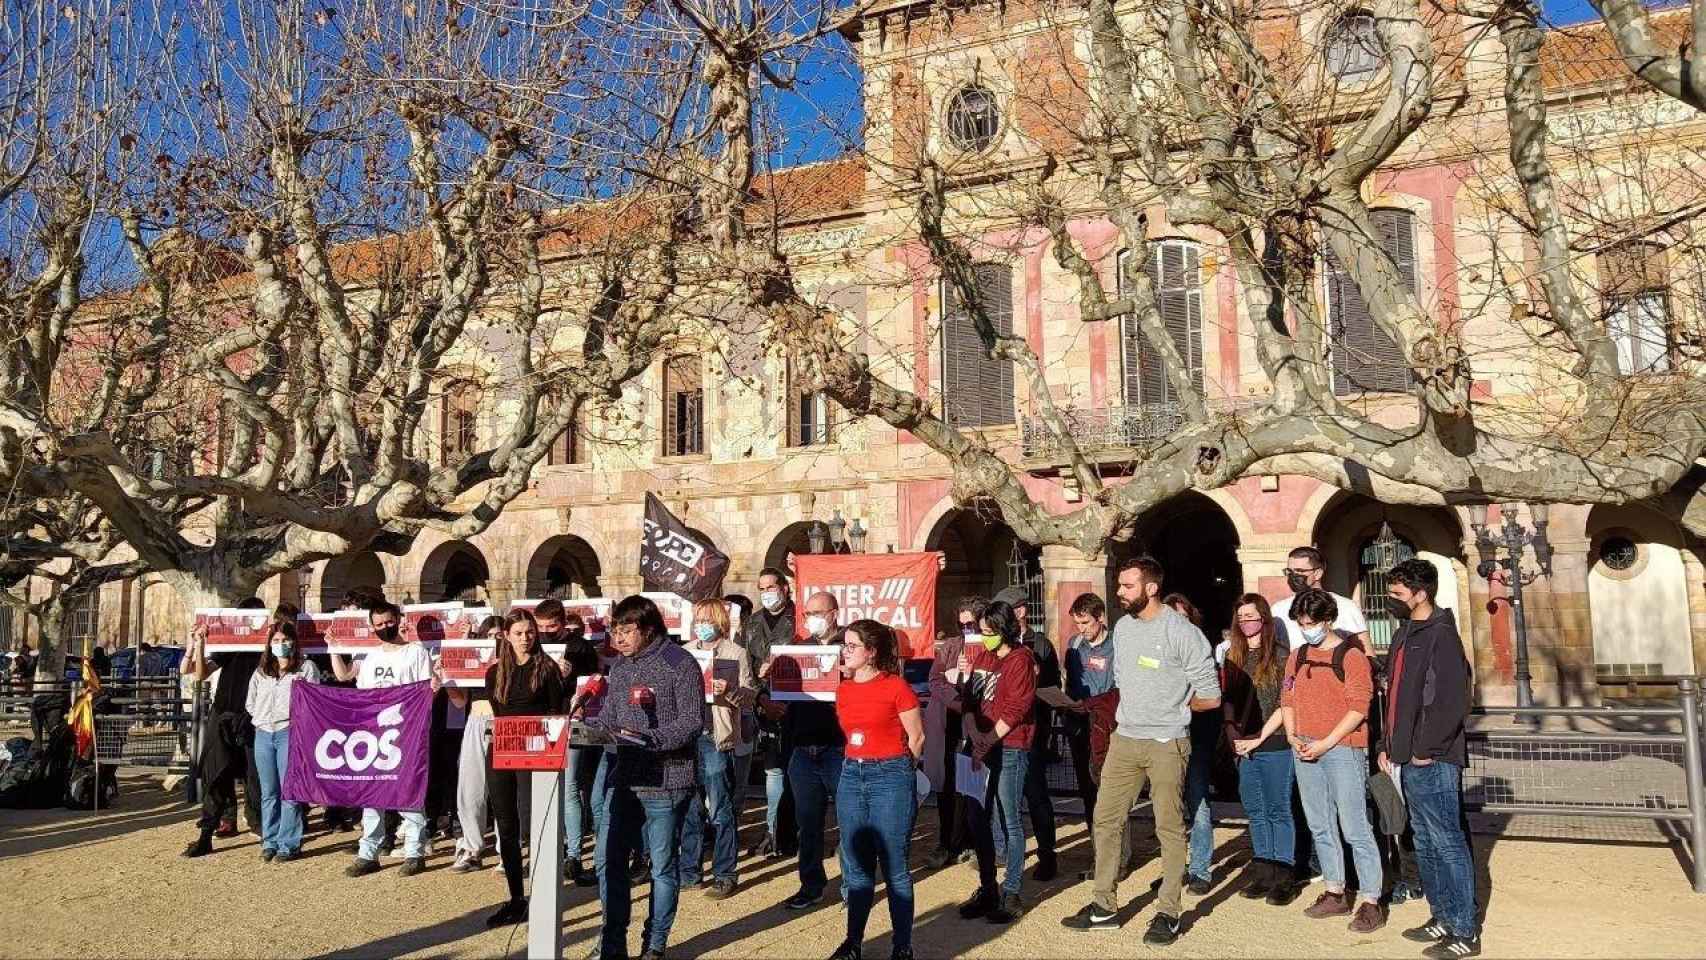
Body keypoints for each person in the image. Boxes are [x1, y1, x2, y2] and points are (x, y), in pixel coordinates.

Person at [1062, 556, 1220, 945]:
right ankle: (1104, 906)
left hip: (1167, 741)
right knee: (1105, 819)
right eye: (1119, 585)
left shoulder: (1182, 632)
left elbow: (1211, 696)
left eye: (1127, 586)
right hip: (1125, 739)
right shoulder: (1124, 629)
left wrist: (1177, 709)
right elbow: (1122, 680)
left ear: (1151, 588)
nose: (1119, 593)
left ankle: (1168, 911)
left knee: (1168, 827)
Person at [594, 594, 704, 960]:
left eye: (626, 631)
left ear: (649, 628)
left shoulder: (680, 663)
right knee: (610, 862)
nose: (619, 639)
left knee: (661, 867)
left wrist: (652, 739)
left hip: (666, 779)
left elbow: (692, 720)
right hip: (624, 775)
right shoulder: (620, 667)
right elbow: (609, 717)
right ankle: (612, 943)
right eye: (615, 631)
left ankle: (654, 944)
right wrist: (590, 727)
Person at [1380, 559, 1479, 960]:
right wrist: (1389, 746)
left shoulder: (1441, 635)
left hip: (1432, 760)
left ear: (1421, 594)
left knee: (1448, 842)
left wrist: (1425, 750)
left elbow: (1452, 700)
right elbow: (1398, 697)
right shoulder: (1406, 633)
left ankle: (1465, 930)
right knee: (1425, 842)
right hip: (1405, 758)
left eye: (1399, 594)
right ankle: (1441, 917)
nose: (1392, 600)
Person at [1282, 588, 1385, 933]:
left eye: (1310, 622)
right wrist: (1292, 735)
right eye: (1300, 622)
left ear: (1327, 620)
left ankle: (1371, 898)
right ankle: (1334, 890)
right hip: (1305, 745)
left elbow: (1359, 707)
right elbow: (1288, 698)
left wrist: (1326, 742)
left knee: (1355, 826)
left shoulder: (1352, 656)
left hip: (1342, 747)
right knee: (1320, 824)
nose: (1305, 628)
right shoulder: (1296, 656)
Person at [829, 619, 925, 960]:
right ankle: (853, 942)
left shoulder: (896, 687)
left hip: (891, 775)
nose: (845, 650)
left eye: (852, 646)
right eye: (845, 645)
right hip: (851, 774)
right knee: (856, 863)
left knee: (895, 864)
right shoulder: (842, 688)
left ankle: (902, 946)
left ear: (871, 653)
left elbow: (917, 738)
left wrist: (900, 773)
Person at [332, 601, 441, 878]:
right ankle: (369, 852)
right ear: (372, 626)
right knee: (372, 793)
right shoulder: (371, 657)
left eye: (388, 622)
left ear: (398, 619)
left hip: (407, 733)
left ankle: (415, 850)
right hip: (375, 735)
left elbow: (425, 695)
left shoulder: (415, 653)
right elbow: (363, 696)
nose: (384, 628)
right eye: (379, 624)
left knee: (408, 791)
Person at [481, 609, 569, 927]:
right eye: (518, 633)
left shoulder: (546, 669)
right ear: (506, 635)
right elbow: (497, 710)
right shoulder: (494, 674)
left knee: (535, 824)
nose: (525, 638)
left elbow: (558, 711)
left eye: (529, 632)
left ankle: (542, 895)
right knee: (506, 826)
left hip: (536, 752)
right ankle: (517, 898)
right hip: (503, 749)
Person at [956, 599, 1037, 925]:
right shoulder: (983, 658)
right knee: (977, 817)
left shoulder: (1021, 660)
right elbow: (970, 700)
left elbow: (1016, 710)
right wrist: (975, 734)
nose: (985, 637)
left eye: (990, 631)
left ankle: (1012, 891)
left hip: (1010, 747)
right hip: (981, 746)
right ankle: (988, 887)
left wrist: (988, 739)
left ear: (1004, 630)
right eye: (982, 631)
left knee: (1009, 820)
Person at [1221, 593, 1302, 905]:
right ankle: (1263, 869)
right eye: (1241, 618)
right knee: (1254, 810)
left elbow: (1286, 704)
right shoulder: (1232, 655)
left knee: (1278, 808)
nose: (1246, 623)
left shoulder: (1282, 656)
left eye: (1251, 617)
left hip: (1274, 742)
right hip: (1242, 745)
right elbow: (1227, 699)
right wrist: (1232, 734)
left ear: (1264, 619)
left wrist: (1258, 738)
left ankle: (1284, 873)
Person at [679, 598, 756, 899]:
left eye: (707, 619)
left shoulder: (735, 653)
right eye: (699, 619)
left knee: (721, 807)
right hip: (688, 736)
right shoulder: (684, 653)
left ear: (720, 622)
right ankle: (690, 871)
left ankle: (725, 873)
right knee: (691, 807)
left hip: (715, 735)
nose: (702, 625)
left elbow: (750, 697)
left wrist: (732, 690)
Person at [180, 597, 269, 858]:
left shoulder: (267, 649)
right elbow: (199, 674)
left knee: (256, 776)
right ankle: (207, 832)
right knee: (215, 774)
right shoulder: (230, 646)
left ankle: (263, 828)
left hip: (253, 716)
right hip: (223, 714)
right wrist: (199, 643)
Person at [782, 589, 849, 910]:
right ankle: (811, 885)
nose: (812, 619)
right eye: (807, 614)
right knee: (808, 824)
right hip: (802, 748)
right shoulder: (798, 649)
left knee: (850, 820)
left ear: (834, 613)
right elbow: (783, 704)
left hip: (839, 746)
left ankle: (854, 885)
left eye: (817, 613)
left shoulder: (851, 646)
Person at [993, 584, 1059, 882]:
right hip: (1002, 732)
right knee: (1002, 798)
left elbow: (1052, 683)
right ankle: (1004, 851)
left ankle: (1047, 856)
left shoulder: (1041, 644)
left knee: (1036, 794)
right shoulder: (994, 644)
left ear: (1019, 611)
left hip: (1031, 731)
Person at [1061, 592, 1127, 878]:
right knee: (1090, 793)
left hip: (1112, 728)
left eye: (1086, 623)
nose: (1081, 629)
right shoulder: (1074, 646)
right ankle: (1099, 854)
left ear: (1101, 618)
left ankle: (1119, 859)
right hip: (1081, 727)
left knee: (1113, 795)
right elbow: (1071, 683)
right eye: (1077, 623)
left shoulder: (1118, 645)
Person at [244, 620, 321, 863]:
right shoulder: (261, 670)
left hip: (290, 732)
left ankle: (288, 843)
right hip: (264, 732)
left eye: (285, 640)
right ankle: (270, 840)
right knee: (268, 791)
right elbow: (250, 701)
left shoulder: (306, 668)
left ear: (294, 642)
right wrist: (261, 716)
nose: (281, 645)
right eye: (276, 640)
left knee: (290, 791)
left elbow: (314, 699)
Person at [1164, 592, 1220, 895]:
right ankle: (1174, 867)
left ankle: (1199, 869)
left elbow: (1211, 699)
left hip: (1195, 739)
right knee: (1169, 808)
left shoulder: (1199, 651)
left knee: (1198, 805)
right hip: (1165, 739)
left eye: (1182, 618)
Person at [543, 601, 603, 885]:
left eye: (551, 627)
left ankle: (575, 853)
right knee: (556, 788)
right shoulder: (535, 645)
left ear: (561, 621)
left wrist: (569, 676)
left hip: (574, 721)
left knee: (572, 787)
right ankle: (564, 846)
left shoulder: (580, 647)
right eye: (541, 627)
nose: (546, 632)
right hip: (544, 722)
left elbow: (593, 682)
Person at [923, 597, 983, 871]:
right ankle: (946, 842)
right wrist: (958, 699)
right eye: (962, 625)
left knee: (973, 787)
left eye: (971, 623)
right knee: (948, 787)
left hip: (979, 724)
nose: (966, 629)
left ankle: (973, 841)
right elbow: (935, 681)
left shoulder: (990, 646)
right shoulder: (950, 646)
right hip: (949, 724)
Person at [746, 566, 798, 860]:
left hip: (797, 704)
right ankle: (773, 831)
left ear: (785, 588)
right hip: (764, 704)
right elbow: (745, 665)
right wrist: (761, 696)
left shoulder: (800, 619)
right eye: (762, 588)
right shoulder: (752, 624)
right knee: (773, 771)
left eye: (771, 587)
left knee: (798, 771)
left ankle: (796, 830)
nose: (767, 593)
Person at [447, 613, 505, 872]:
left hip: (505, 721)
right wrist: (448, 681)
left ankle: (507, 851)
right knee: (470, 788)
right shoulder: (474, 661)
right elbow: (460, 701)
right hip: (476, 718)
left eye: (499, 636)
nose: (495, 640)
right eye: (490, 636)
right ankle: (471, 848)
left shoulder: (514, 661)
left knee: (505, 789)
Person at [1273, 546, 1369, 649]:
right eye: (1289, 572)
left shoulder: (1346, 607)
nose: (1293, 576)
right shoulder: (1278, 610)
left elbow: (1365, 652)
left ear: (1318, 573)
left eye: (1300, 571)